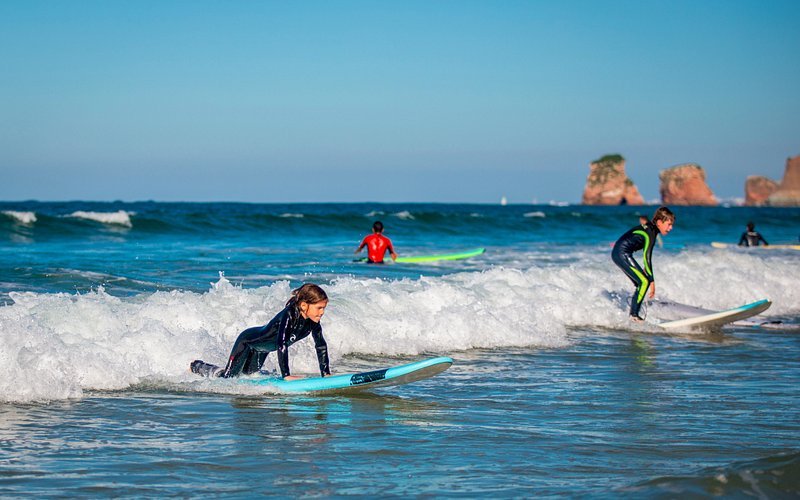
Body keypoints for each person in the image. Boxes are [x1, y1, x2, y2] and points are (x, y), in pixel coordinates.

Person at [190, 283, 331, 379]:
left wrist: (326, 373)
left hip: (262, 349)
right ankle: (198, 366)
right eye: (319, 308)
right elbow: (282, 344)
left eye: (324, 308)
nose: (322, 312)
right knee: (228, 377)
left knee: (248, 375)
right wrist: (286, 375)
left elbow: (320, 345)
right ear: (304, 305)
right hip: (247, 342)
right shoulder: (289, 315)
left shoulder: (313, 322)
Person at [612, 206, 675, 322]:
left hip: (619, 253)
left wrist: (647, 274)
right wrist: (652, 281)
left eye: (672, 225)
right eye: (669, 224)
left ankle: (633, 310)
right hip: (622, 254)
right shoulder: (650, 233)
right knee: (644, 282)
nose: (671, 228)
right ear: (660, 222)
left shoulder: (651, 229)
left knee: (640, 282)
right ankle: (634, 316)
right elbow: (647, 257)